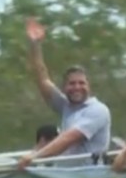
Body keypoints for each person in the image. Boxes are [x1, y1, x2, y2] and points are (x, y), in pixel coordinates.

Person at [18, 18, 111, 168]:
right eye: (72, 84)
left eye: (81, 83)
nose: (77, 87)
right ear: (64, 87)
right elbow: (42, 79)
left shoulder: (98, 110)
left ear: (89, 86)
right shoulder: (66, 106)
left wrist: (35, 156)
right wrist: (35, 45)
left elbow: (69, 138)